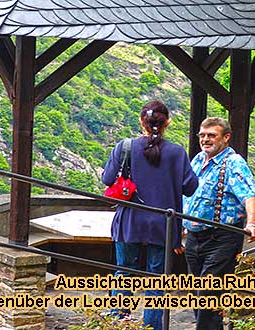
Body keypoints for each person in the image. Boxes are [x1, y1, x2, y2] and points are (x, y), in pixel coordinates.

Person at [102, 100, 198, 330]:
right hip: (163, 225)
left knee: (124, 271)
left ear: (141, 121)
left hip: (130, 220)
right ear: (168, 123)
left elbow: (107, 179)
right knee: (157, 278)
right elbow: (191, 187)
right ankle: (152, 326)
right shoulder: (177, 152)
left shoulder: (124, 147)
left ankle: (119, 321)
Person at [183, 117, 255, 330]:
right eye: (202, 135)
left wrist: (252, 223)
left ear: (225, 138)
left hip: (222, 238)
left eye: (211, 135)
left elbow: (250, 195)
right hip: (193, 237)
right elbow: (189, 196)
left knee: (208, 293)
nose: (205, 139)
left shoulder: (233, 163)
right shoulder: (198, 160)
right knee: (196, 293)